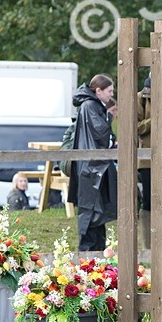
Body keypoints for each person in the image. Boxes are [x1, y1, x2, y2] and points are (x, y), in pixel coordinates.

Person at [67, 74, 118, 251]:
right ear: (98, 90)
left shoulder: (92, 105)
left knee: (98, 213)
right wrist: (112, 139)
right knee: (90, 213)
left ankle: (97, 257)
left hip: (93, 165)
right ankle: (87, 257)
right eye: (109, 91)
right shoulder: (90, 106)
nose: (111, 95)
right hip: (91, 166)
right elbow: (101, 133)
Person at [135, 76, 153, 255]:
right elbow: (135, 126)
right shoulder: (140, 98)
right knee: (148, 201)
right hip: (147, 159)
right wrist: (156, 120)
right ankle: (147, 245)